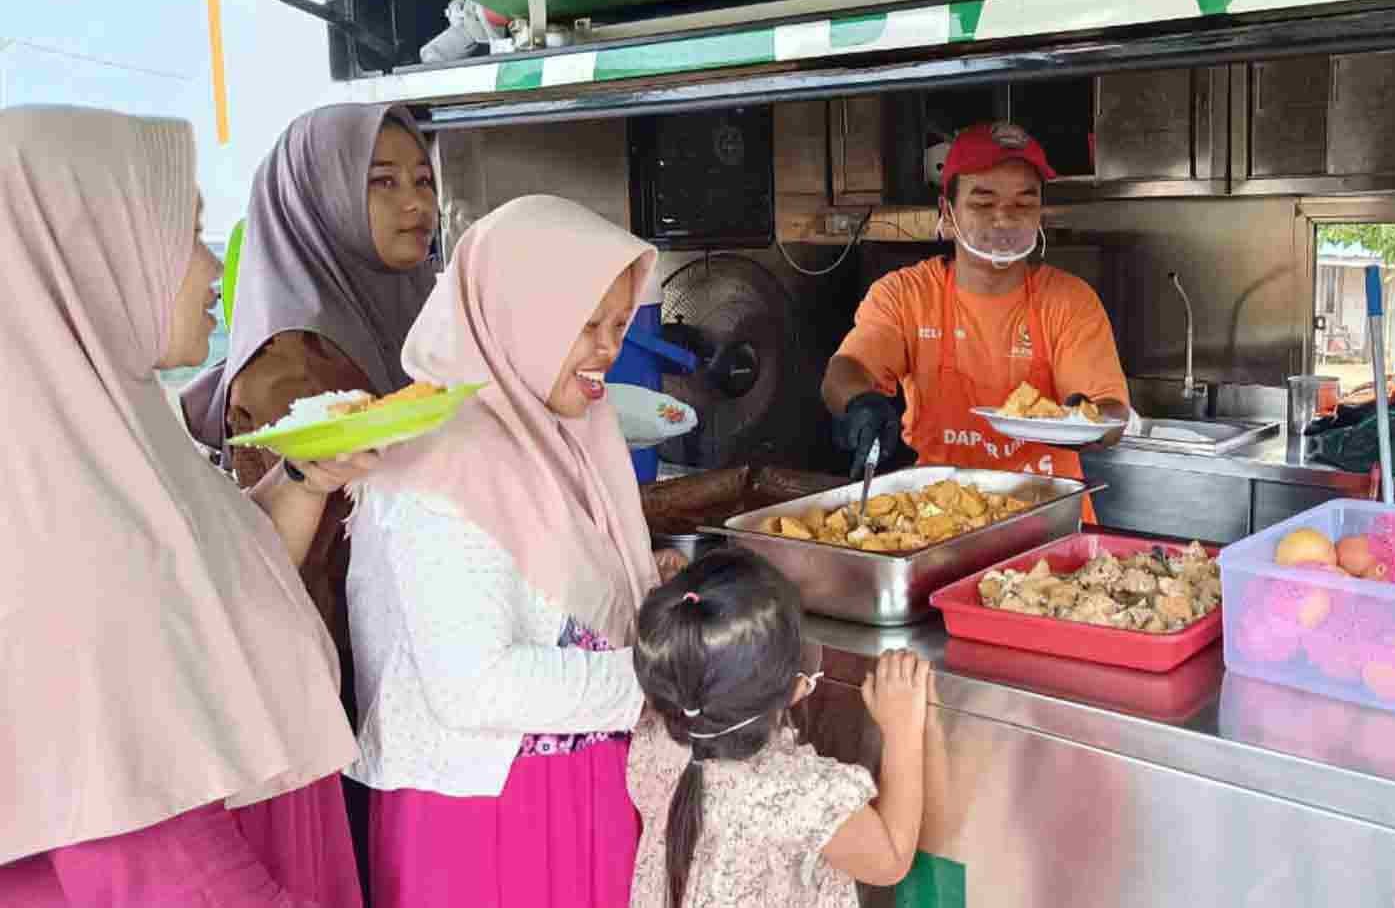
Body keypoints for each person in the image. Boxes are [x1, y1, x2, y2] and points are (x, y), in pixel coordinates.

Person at [0, 106, 376, 905]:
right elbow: (155, 862)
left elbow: (199, 607)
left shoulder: (111, 445)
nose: (212, 269)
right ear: (91, 253)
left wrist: (305, 477)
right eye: (187, 234)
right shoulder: (58, 528)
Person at [345, 194, 663, 908]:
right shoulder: (441, 460)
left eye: (618, 324)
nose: (608, 349)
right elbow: (474, 685)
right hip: (484, 820)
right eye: (586, 325)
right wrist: (658, 682)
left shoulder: (567, 433)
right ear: (521, 314)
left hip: (586, 800)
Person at [181, 103, 439, 700]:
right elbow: (299, 561)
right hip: (347, 683)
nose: (416, 203)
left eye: (423, 180)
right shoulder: (291, 363)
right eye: (383, 182)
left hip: (417, 653)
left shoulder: (414, 309)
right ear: (320, 199)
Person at [820, 122, 1131, 513]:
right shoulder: (905, 295)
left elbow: (1114, 412)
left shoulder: (1070, 301)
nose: (1004, 218)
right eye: (983, 203)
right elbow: (846, 369)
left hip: (1050, 518)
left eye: (1023, 203)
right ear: (946, 213)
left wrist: (1085, 423)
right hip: (940, 516)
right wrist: (860, 402)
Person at [629, 549, 928, 908]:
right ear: (796, 687)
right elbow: (890, 860)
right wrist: (902, 730)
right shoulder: (796, 792)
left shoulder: (652, 740)